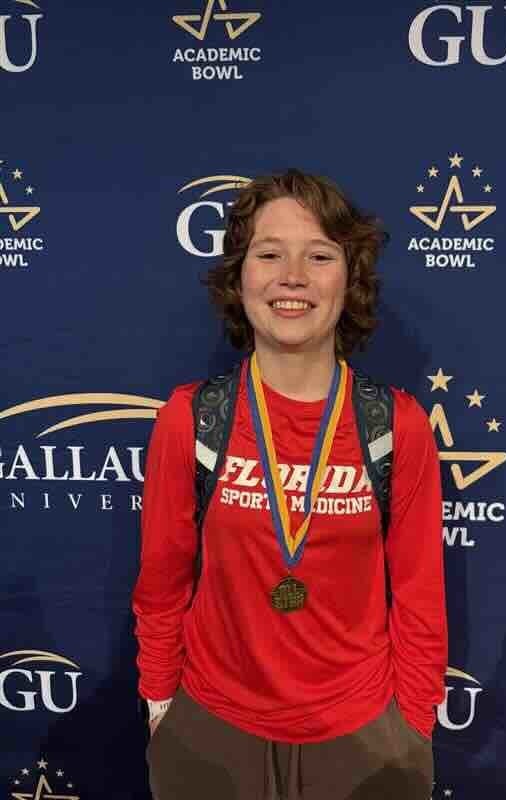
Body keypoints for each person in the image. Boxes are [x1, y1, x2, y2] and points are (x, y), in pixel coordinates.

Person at [132, 168, 447, 800]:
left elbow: (418, 596)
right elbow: (162, 580)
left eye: (319, 255)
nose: (292, 277)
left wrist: (409, 725)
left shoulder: (397, 425)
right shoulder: (192, 418)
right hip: (210, 730)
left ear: (348, 279)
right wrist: (162, 704)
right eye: (269, 253)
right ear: (240, 276)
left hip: (363, 737)